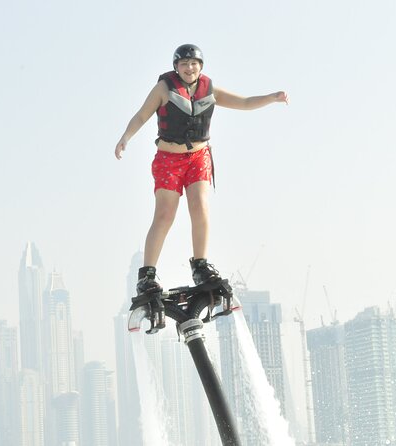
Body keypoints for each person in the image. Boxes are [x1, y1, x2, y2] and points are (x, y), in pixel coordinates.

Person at [115, 43, 288, 304]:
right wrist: (125, 137)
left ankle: (200, 265)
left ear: (201, 66)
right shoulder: (164, 88)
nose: (189, 67)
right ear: (176, 67)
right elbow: (141, 115)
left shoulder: (210, 89)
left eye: (193, 63)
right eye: (183, 64)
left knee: (200, 207)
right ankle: (147, 274)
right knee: (164, 215)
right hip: (168, 160)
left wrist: (272, 97)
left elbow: (243, 102)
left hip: (198, 156)